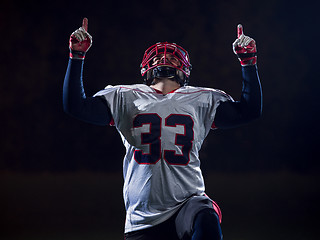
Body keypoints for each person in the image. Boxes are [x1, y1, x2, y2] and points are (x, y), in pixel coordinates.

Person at [63, 18, 262, 240]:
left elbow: (249, 111)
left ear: (184, 69)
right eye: (158, 56)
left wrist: (248, 62)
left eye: (171, 56)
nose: (164, 57)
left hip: (187, 203)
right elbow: (75, 106)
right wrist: (76, 57)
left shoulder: (202, 98)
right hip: (142, 218)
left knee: (206, 214)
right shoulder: (124, 96)